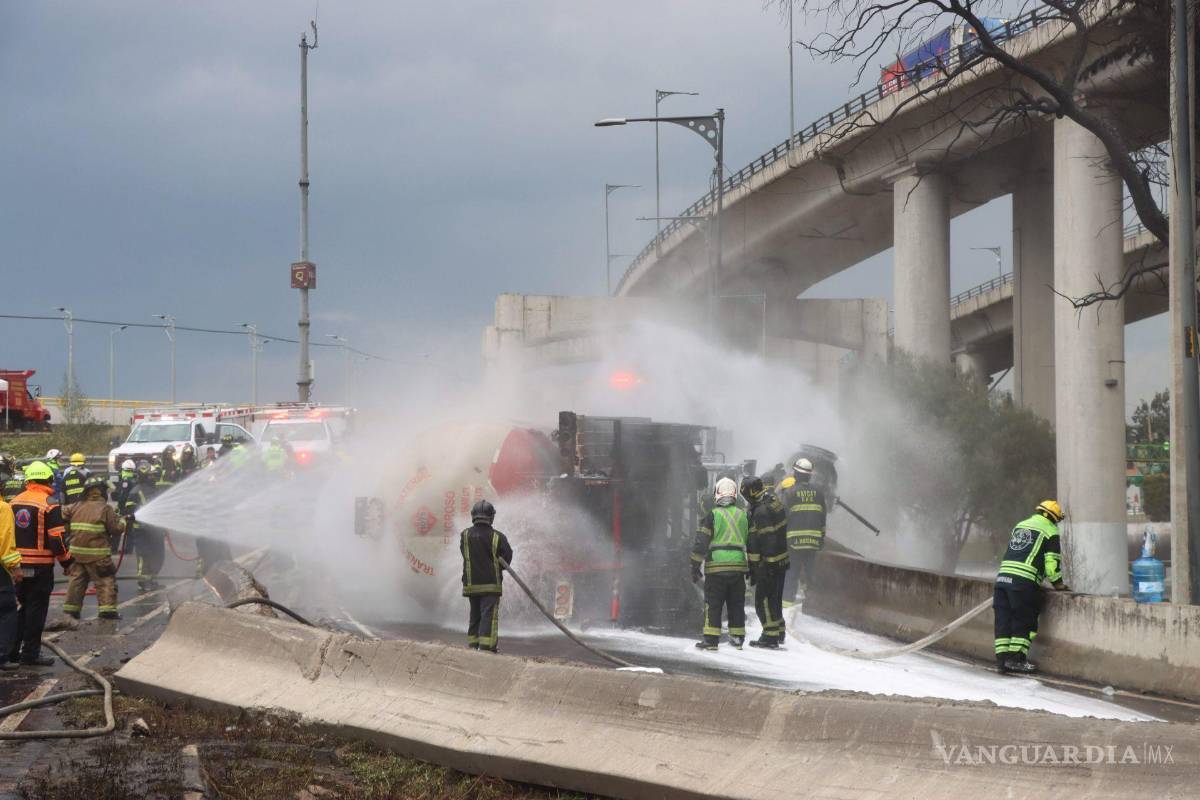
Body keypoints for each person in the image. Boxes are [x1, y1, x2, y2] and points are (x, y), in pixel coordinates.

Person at [8, 461, 73, 666]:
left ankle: (11, 652)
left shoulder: (14, 501)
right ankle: (30, 654)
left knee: (18, 608)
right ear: (48, 480)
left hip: (16, 566)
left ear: (28, 480)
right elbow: (56, 539)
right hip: (40, 567)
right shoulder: (49, 503)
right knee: (36, 610)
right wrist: (67, 562)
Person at [994, 500, 1069, 675]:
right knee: (1024, 619)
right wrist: (1058, 583)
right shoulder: (1050, 531)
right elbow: (1052, 564)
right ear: (1053, 518)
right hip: (1023, 582)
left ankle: (1002, 660)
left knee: (1003, 621)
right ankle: (1016, 659)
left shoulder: (1021, 525)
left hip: (1002, 580)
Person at [691, 477, 750, 651]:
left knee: (713, 603)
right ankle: (738, 638)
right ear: (734, 494)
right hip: (738, 567)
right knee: (736, 603)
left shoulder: (712, 515)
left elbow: (701, 543)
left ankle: (710, 641)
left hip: (716, 567)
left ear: (717, 494)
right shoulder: (743, 515)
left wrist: (694, 566)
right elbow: (752, 541)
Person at [61, 476, 124, 620]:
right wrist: (122, 521)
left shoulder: (75, 506)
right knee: (105, 581)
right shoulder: (105, 508)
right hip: (98, 556)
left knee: (76, 582)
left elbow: (63, 516)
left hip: (76, 555)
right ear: (101, 491)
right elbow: (116, 529)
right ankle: (107, 611)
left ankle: (72, 611)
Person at [459, 499, 513, 653]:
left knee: (474, 615)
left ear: (473, 515)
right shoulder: (498, 537)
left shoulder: (465, 535)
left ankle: (472, 645)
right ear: (491, 516)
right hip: (491, 585)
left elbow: (465, 554)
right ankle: (487, 647)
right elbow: (507, 559)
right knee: (489, 615)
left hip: (471, 584)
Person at [744, 477, 789, 649]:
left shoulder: (760, 512)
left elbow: (763, 541)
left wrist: (758, 567)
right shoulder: (773, 500)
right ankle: (779, 631)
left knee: (763, 600)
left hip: (769, 564)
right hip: (781, 560)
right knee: (775, 598)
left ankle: (769, 636)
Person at [779, 457, 827, 603]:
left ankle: (786, 603)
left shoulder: (789, 493)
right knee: (810, 573)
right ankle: (814, 603)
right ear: (809, 475)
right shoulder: (819, 494)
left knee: (791, 573)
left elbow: (782, 518)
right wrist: (820, 539)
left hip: (794, 542)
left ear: (796, 474)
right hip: (812, 542)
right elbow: (822, 519)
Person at [0, 495, 23, 671]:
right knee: (7, 610)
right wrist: (15, 566)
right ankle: (2, 657)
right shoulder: (3, 508)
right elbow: (6, 542)